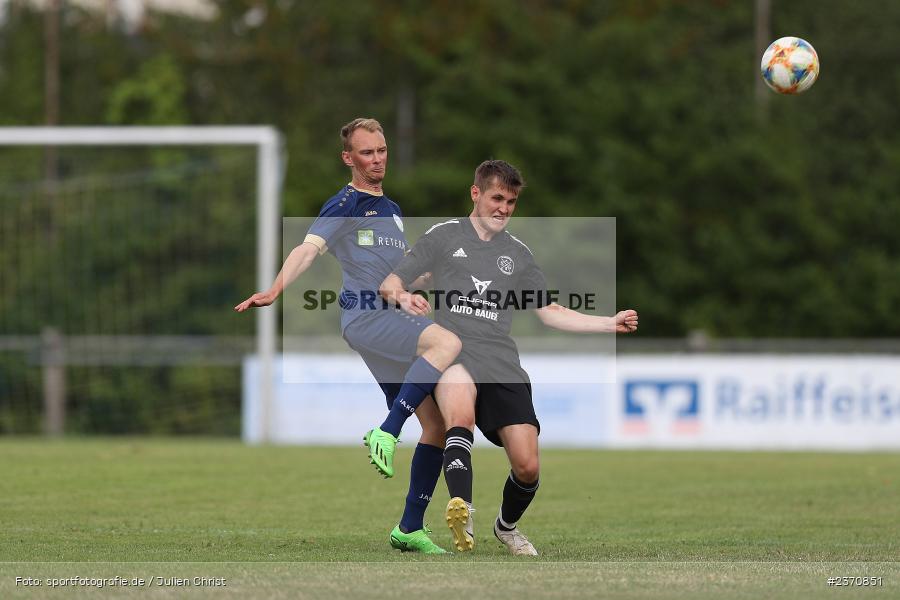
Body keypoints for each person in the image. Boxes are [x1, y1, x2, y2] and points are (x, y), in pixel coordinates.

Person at [381, 160, 638, 555]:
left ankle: (506, 527)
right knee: (459, 416)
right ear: (476, 193)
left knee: (527, 465)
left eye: (511, 201)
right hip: (454, 350)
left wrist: (609, 323)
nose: (503, 208)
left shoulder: (518, 253)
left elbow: (549, 311)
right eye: (497, 198)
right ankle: (461, 509)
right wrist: (405, 297)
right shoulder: (444, 235)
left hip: (500, 360)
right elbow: (390, 283)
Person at [235, 118, 461, 554]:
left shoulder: (391, 209)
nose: (377, 159)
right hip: (366, 317)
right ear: (348, 158)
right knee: (446, 343)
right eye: (366, 153)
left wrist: (429, 281)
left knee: (435, 425)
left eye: (381, 150)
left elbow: (396, 274)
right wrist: (275, 289)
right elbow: (307, 250)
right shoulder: (345, 203)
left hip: (387, 316)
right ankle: (388, 431)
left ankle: (409, 528)